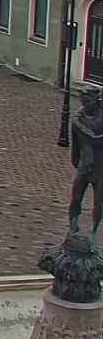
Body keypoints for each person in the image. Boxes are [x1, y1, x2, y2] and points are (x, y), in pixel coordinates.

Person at [69, 84, 103, 240]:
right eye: (83, 101)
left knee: (99, 202)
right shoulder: (78, 119)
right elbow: (77, 142)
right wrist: (75, 160)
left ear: (96, 99)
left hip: (101, 166)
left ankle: (93, 233)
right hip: (85, 165)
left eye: (88, 100)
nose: (85, 104)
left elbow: (95, 139)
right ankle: (73, 228)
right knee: (76, 198)